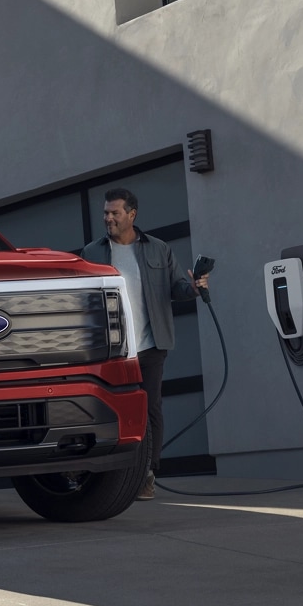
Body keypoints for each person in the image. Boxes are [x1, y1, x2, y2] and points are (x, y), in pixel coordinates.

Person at [81, 187, 208, 501]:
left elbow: (176, 288)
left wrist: (193, 287)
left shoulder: (158, 249)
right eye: (106, 213)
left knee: (150, 409)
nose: (108, 218)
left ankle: (147, 475)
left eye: (115, 213)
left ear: (132, 215)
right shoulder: (92, 252)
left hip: (150, 346)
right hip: (111, 351)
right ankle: (105, 474)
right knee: (105, 409)